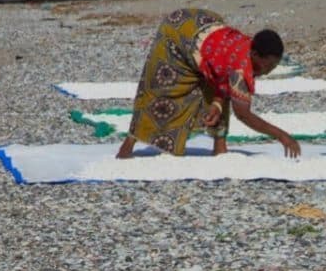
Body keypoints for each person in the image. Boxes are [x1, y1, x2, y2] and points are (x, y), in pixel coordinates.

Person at [116, 9, 301, 159]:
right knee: (159, 88)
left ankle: (219, 146)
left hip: (205, 25)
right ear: (254, 54)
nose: (268, 71)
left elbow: (223, 79)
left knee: (222, 93)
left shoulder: (248, 51)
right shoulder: (240, 70)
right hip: (178, 31)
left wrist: (217, 103)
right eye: (267, 65)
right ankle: (128, 146)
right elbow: (243, 115)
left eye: (274, 66)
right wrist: (283, 136)